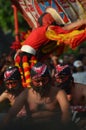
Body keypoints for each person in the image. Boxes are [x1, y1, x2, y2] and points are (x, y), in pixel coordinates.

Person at [14, 8, 86, 88]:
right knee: (32, 85)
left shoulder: (39, 31)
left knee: (34, 84)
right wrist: (82, 22)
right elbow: (65, 29)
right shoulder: (47, 29)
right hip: (26, 58)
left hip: (27, 56)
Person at [0, 62, 78, 130]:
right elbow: (11, 115)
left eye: (44, 80)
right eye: (37, 81)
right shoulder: (26, 94)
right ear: (32, 81)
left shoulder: (59, 93)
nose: (41, 84)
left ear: (49, 79)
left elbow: (66, 113)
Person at [54, 64, 86, 129]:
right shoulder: (54, 91)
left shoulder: (82, 89)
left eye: (62, 77)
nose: (60, 81)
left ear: (70, 77)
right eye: (57, 78)